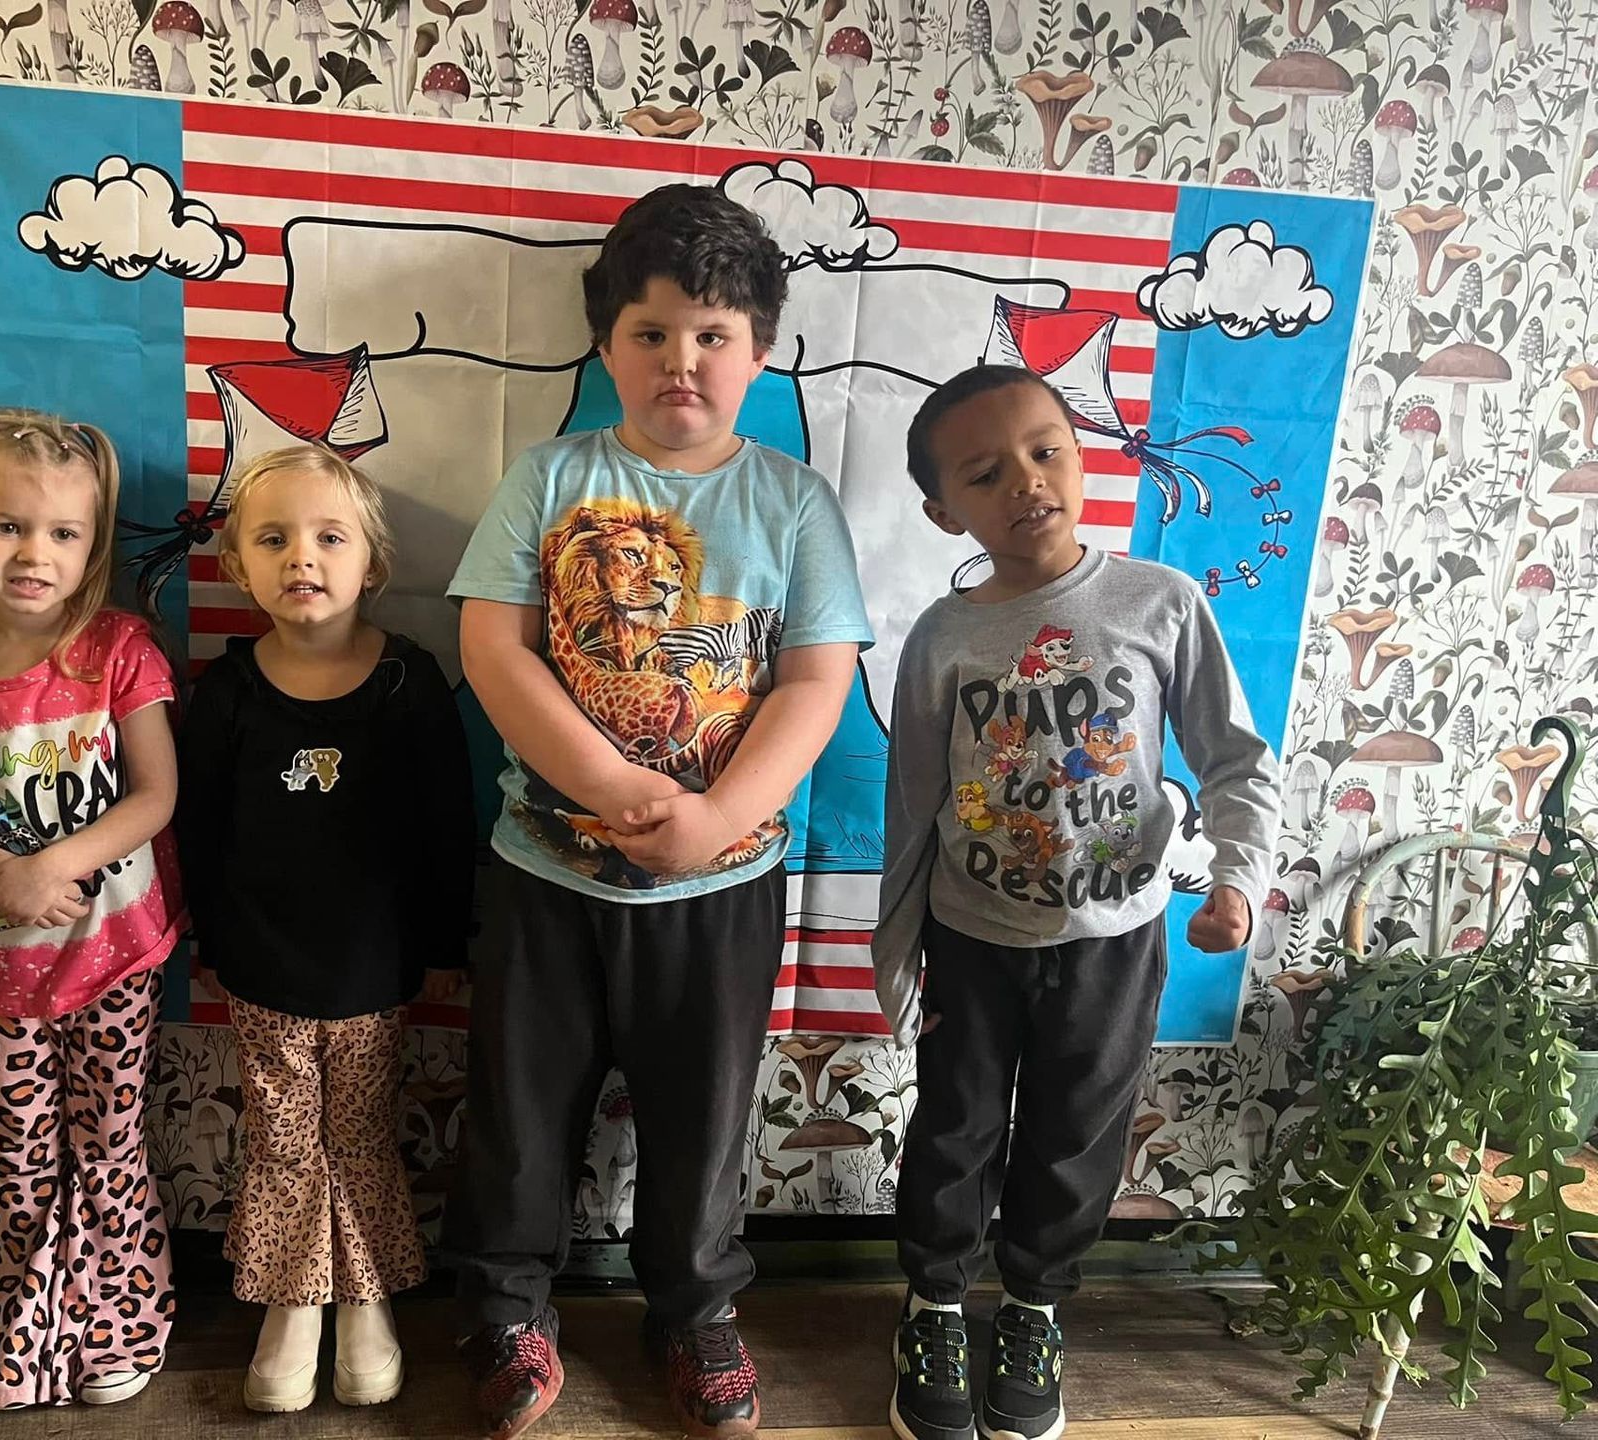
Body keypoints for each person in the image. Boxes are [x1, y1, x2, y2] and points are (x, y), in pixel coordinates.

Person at [442, 181, 873, 1440]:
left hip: (724, 887)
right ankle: (509, 1308)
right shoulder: (550, 475)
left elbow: (816, 677)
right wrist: (621, 787)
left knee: (703, 1120)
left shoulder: (793, 502)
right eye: (651, 332)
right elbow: (495, 651)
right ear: (605, 343)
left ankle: (695, 1312)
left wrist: (715, 812)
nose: (681, 359)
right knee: (520, 1116)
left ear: (760, 350)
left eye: (712, 334)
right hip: (545, 872)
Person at [873, 364, 1280, 1440]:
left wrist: (1235, 878)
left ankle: (1037, 1308)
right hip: (974, 937)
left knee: (1074, 1137)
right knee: (955, 1132)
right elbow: (911, 805)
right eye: (984, 471)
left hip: (1114, 942)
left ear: (1081, 448)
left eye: (1045, 448)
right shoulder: (942, 639)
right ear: (941, 508)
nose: (1026, 482)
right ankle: (935, 1307)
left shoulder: (1161, 604)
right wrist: (895, 953)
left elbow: (1237, 760)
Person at [0, 405, 184, 1410]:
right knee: (20, 1156)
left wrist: (58, 863)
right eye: (7, 526)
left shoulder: (118, 653)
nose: (33, 553)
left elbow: (154, 795)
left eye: (63, 532)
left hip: (113, 955)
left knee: (109, 1145)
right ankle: (22, 1336)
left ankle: (119, 1325)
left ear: (93, 544)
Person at [175, 442, 473, 1413]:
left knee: (358, 1136)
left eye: (328, 537)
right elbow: (198, 833)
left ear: (370, 565)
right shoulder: (226, 694)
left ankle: (365, 1299)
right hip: (264, 968)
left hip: (377, 970)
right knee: (287, 1141)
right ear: (239, 565)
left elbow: (445, 825)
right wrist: (213, 946)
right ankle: (293, 1305)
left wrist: (443, 948)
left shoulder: (407, 683)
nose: (302, 556)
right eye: (274, 538)